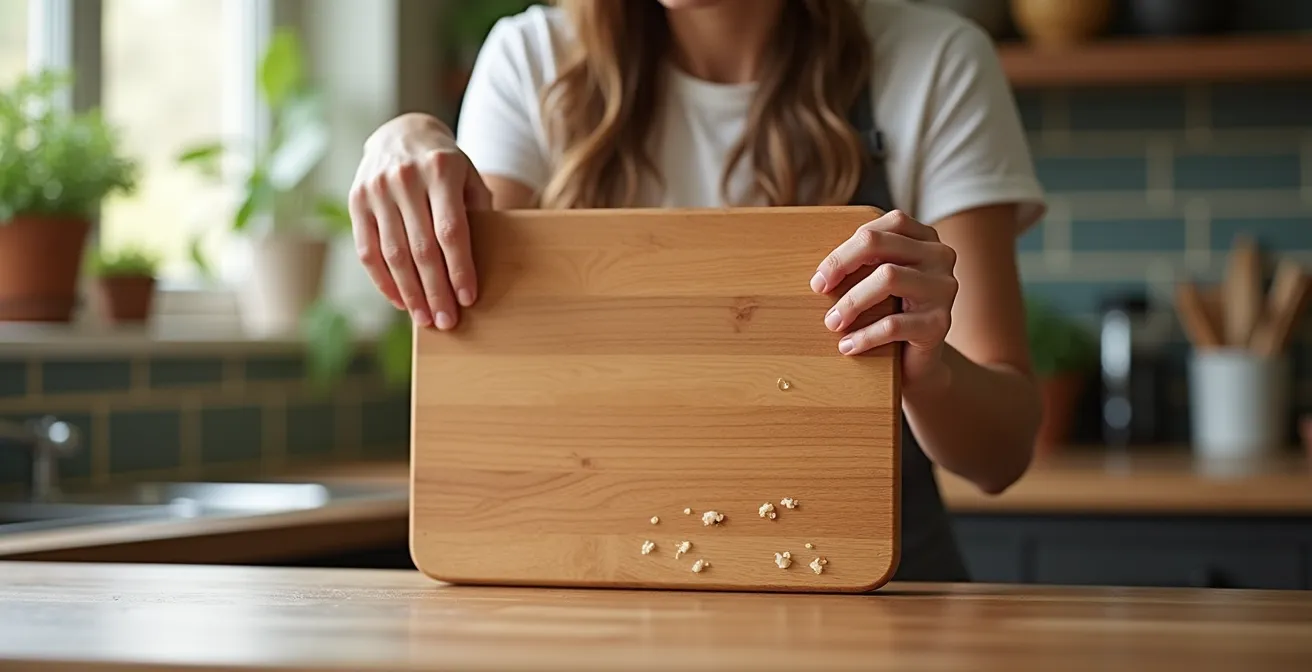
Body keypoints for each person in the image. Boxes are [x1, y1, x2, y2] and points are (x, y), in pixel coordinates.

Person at [348, 0, 1047, 582]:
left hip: (884, 612)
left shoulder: (936, 62)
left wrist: (930, 371)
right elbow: (482, 352)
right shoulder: (530, 60)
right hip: (588, 607)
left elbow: (1001, 455)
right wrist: (403, 136)